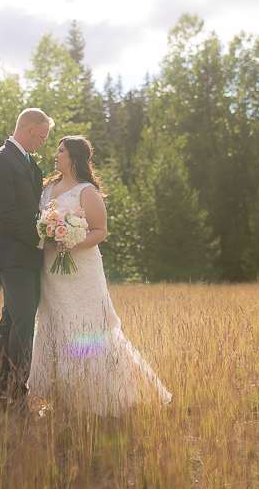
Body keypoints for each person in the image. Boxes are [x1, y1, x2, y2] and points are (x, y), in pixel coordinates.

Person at [28, 135, 171, 416]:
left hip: (82, 271)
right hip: (52, 271)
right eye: (56, 150)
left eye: (61, 151)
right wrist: (48, 239)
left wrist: (69, 241)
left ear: (75, 157)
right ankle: (58, 397)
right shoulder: (48, 187)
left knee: (87, 328)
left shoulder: (86, 190)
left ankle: (93, 397)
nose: (55, 155)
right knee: (54, 324)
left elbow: (99, 231)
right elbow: (39, 223)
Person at [0, 107, 53, 409]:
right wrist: (39, 237)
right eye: (41, 136)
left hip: (26, 254)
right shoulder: (2, 160)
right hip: (14, 254)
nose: (42, 142)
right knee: (23, 320)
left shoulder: (26, 160)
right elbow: (8, 214)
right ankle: (15, 390)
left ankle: (5, 389)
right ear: (28, 130)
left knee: (12, 321)